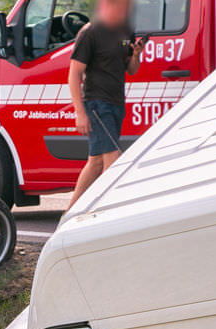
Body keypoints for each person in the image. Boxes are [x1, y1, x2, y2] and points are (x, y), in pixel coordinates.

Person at [66, 0, 144, 210]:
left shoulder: (126, 31)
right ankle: (108, 211)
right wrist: (79, 112)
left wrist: (136, 54)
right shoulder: (90, 32)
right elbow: (74, 74)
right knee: (113, 158)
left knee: (96, 162)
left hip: (117, 102)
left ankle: (70, 212)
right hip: (96, 103)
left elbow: (132, 69)